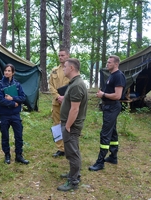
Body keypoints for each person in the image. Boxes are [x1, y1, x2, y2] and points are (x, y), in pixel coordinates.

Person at [88, 55, 126, 172]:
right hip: (108, 107)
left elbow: (117, 96)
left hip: (112, 107)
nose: (107, 64)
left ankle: (100, 162)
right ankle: (113, 157)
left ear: (116, 64)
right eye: (107, 62)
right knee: (112, 132)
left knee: (105, 133)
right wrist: (102, 93)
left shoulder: (118, 76)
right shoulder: (111, 75)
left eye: (110, 62)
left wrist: (103, 95)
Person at [57, 58, 88, 191]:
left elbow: (75, 109)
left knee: (72, 153)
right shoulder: (75, 83)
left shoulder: (76, 85)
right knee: (72, 151)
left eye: (65, 67)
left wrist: (68, 126)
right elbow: (72, 102)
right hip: (69, 123)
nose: (63, 69)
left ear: (71, 68)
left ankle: (73, 181)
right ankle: (73, 174)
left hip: (72, 126)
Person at [0, 64, 29, 165]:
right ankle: (7, 155)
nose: (7, 72)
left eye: (9, 71)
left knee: (18, 135)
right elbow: (0, 100)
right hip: (4, 114)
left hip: (15, 115)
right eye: (5, 70)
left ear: (13, 72)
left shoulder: (17, 84)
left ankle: (19, 155)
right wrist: (13, 103)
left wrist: (12, 98)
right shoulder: (0, 84)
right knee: (5, 136)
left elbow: (23, 97)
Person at [48, 49, 70, 157]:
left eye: (63, 55)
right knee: (57, 125)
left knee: (68, 124)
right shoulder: (54, 70)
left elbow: (74, 85)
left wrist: (65, 97)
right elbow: (50, 85)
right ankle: (60, 149)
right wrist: (57, 97)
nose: (60, 57)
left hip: (68, 102)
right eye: (59, 55)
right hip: (56, 103)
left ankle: (69, 147)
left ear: (67, 56)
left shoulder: (72, 69)